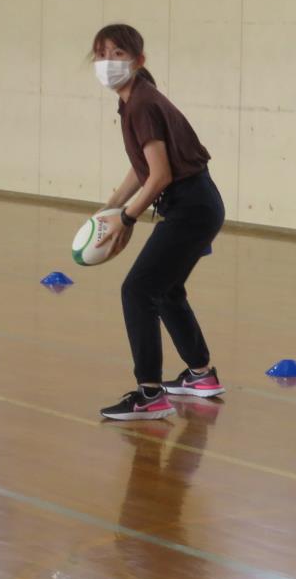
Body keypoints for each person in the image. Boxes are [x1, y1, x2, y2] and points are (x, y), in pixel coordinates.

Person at [91, 24, 226, 422]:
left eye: (117, 54)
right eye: (101, 54)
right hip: (198, 203)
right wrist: (109, 207)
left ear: (138, 60)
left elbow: (161, 175)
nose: (107, 62)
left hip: (191, 206)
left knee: (137, 290)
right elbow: (143, 168)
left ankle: (149, 394)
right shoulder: (135, 100)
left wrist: (127, 218)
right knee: (165, 290)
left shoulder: (142, 104)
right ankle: (200, 374)